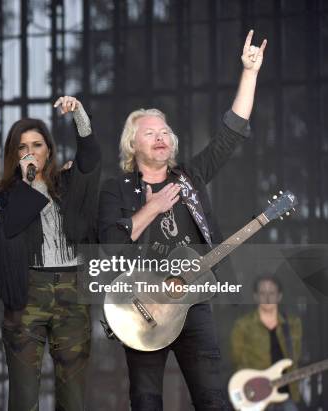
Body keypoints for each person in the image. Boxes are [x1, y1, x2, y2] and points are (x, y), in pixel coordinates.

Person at [98, 30, 267, 410]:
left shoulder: (189, 177)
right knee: (146, 400)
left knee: (211, 398)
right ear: (133, 145)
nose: (160, 137)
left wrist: (250, 73)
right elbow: (111, 243)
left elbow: (231, 133)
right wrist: (153, 207)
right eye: (149, 133)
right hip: (141, 305)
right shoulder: (117, 189)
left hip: (191, 303)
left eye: (165, 132)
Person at [0, 95, 101, 411]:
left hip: (71, 287)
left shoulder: (67, 183)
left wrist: (79, 113)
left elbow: (91, 158)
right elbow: (10, 228)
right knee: (24, 396)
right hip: (28, 291)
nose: (30, 152)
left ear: (49, 150)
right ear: (14, 154)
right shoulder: (4, 196)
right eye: (22, 147)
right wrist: (26, 182)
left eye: (37, 145)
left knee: (73, 394)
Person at [231, 275, 302, 411]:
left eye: (272, 293)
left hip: (285, 394)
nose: (268, 297)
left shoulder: (293, 324)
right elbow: (236, 360)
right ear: (255, 296)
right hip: (255, 394)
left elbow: (295, 358)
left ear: (279, 296)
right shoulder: (243, 325)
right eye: (263, 293)